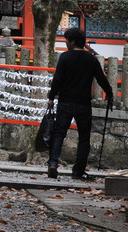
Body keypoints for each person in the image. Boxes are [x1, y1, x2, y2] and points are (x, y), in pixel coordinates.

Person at [46, 26, 114, 180]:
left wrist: (51, 97)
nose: (66, 44)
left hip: (65, 101)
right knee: (84, 137)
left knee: (58, 134)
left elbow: (57, 79)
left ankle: (53, 163)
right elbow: (101, 78)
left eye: (67, 41)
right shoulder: (91, 59)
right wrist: (109, 93)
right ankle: (78, 171)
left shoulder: (65, 57)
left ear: (73, 41)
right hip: (83, 103)